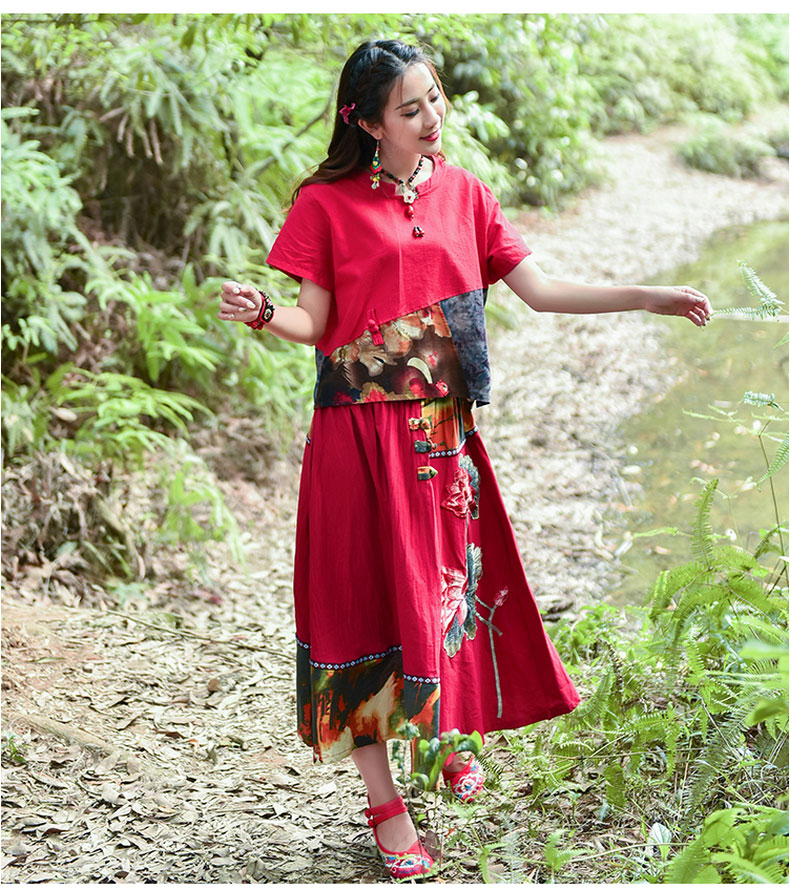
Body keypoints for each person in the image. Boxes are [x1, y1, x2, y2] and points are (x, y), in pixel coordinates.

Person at [217, 39, 713, 880]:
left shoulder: (467, 196)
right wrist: (265, 311)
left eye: (435, 99)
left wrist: (649, 297)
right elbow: (315, 323)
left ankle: (441, 736)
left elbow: (543, 291)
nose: (431, 118)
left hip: (440, 435)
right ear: (368, 123)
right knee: (361, 604)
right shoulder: (325, 204)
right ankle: (385, 805)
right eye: (409, 108)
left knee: (439, 596)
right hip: (353, 434)